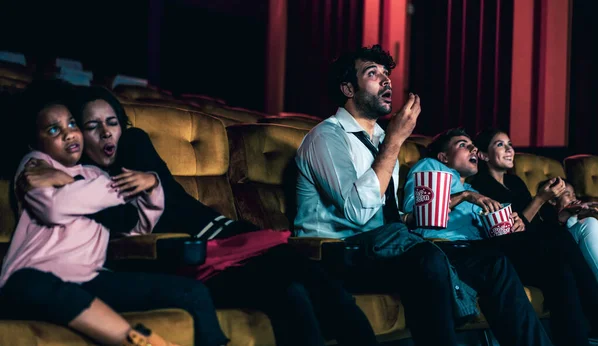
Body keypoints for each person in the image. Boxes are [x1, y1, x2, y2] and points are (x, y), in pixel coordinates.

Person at [70, 85, 379, 346]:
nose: (106, 133)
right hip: (192, 262)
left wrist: (149, 180)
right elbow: (122, 231)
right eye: (92, 126)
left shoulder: (133, 145)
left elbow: (163, 188)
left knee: (310, 279)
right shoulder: (84, 184)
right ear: (79, 135)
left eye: (111, 123)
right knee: (292, 288)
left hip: (227, 239)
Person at [294, 44, 552, 346]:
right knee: (427, 257)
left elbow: (387, 213)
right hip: (339, 251)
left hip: (385, 244)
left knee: (491, 262)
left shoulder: (379, 139)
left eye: (387, 74)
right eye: (372, 73)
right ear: (348, 88)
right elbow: (359, 212)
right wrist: (395, 140)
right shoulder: (327, 137)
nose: (386, 80)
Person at [0, 79, 228, 346]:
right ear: (33, 142)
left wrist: (152, 185)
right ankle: (140, 341)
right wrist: (95, 191)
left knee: (194, 292)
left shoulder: (95, 174)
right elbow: (53, 208)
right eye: (53, 129)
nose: (68, 134)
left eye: (72, 124)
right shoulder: (36, 164)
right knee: (36, 287)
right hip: (33, 277)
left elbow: (134, 225)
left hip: (89, 278)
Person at [404, 127, 597, 346]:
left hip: (479, 249)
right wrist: (466, 196)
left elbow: (492, 227)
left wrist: (511, 221)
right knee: (549, 247)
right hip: (443, 248)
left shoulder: (469, 186)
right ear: (443, 156)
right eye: (462, 145)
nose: (472, 149)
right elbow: (418, 214)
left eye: (472, 145)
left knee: (556, 260)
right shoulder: (431, 167)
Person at [537, 178, 598, 284]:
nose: (573, 198)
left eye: (574, 194)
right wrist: (567, 214)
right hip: (556, 254)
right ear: (552, 200)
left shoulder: (579, 222)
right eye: (567, 194)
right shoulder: (543, 221)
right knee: (589, 223)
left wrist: (574, 215)